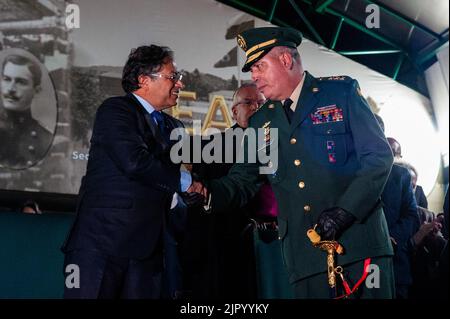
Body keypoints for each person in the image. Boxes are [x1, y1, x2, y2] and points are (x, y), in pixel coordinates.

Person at [190, 27, 394, 299]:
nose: (254, 76)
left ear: (286, 61)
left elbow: (378, 157)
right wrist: (207, 191)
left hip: (359, 247)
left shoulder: (339, 93)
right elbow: (242, 180)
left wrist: (346, 211)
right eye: (252, 70)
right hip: (305, 258)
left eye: (260, 66)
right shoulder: (262, 122)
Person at [61, 44, 190, 299]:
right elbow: (134, 161)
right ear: (144, 80)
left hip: (150, 253)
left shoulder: (174, 126)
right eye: (173, 77)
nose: (180, 84)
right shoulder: (115, 110)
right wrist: (185, 181)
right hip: (100, 248)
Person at [375, 120, 419, 299]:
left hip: (395, 264)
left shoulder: (400, 176)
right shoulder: (347, 173)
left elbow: (411, 215)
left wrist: (390, 236)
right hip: (361, 263)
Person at [0, 54, 53, 169]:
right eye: (6, 79)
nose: (10, 89)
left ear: (36, 90)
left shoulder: (45, 139)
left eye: (21, 82)